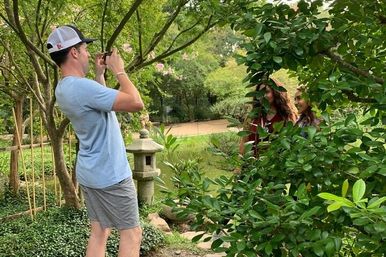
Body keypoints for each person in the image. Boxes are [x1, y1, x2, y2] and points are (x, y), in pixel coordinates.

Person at [47, 25, 143, 257]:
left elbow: (101, 105)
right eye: (84, 48)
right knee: (132, 234)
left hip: (91, 172)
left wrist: (100, 75)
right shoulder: (82, 87)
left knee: (100, 230)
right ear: (74, 53)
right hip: (111, 174)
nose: (89, 53)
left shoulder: (64, 88)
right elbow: (135, 102)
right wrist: (119, 70)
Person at [240, 78, 298, 156]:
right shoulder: (252, 117)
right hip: (252, 165)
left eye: (266, 92)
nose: (263, 96)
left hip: (276, 165)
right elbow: (244, 143)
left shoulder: (286, 116)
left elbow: (292, 143)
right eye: (260, 93)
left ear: (275, 93)